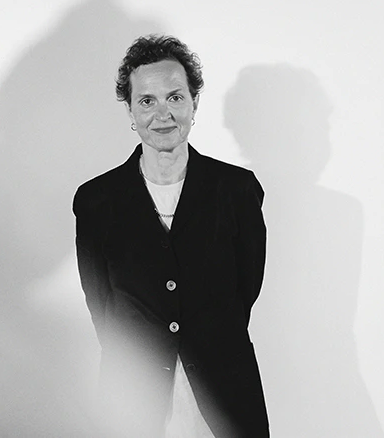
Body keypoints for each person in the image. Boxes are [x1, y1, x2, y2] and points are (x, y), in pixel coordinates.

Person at [73, 35, 269, 437]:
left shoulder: (237, 190)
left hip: (226, 393)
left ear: (194, 103)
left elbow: (245, 291)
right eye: (147, 100)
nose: (162, 114)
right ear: (130, 109)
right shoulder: (96, 201)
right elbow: (101, 304)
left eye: (175, 97)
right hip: (132, 401)